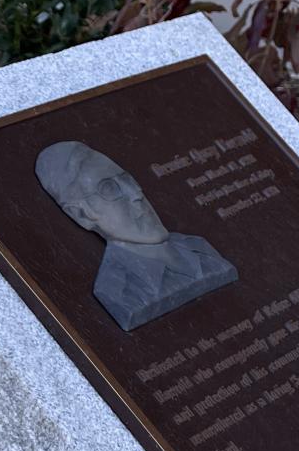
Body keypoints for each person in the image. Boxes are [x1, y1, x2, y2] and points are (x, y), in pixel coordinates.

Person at [34, 140, 237, 332]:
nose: (136, 193)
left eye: (127, 179)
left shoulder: (199, 248)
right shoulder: (118, 291)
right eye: (109, 188)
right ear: (81, 215)